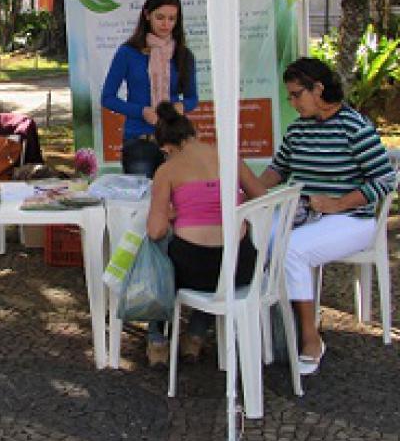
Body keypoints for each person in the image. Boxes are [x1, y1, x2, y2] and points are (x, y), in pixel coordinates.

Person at [259, 58, 396, 375]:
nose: (293, 103)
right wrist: (246, 190)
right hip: (305, 213)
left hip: (352, 219)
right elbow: (278, 169)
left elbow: (385, 179)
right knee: (258, 238)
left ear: (318, 89)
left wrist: (339, 203)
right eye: (290, 96)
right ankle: (273, 330)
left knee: (292, 250)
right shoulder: (298, 129)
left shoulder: (354, 127)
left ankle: (311, 338)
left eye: (297, 95)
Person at [145, 102, 266, 366]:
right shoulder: (229, 157)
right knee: (220, 271)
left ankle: (157, 339)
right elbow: (261, 196)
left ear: (166, 148)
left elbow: (155, 230)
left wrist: (174, 214)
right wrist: (230, 205)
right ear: (195, 133)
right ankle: (195, 337)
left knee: (157, 255)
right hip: (241, 267)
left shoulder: (167, 170)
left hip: (194, 268)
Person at [101, 0, 198, 178]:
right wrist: (142, 111)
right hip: (139, 141)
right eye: (160, 17)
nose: (166, 24)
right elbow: (108, 98)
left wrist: (181, 106)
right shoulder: (127, 53)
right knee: (141, 195)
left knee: (178, 194)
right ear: (147, 15)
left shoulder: (184, 55)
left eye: (172, 19)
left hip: (175, 141)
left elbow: (192, 98)